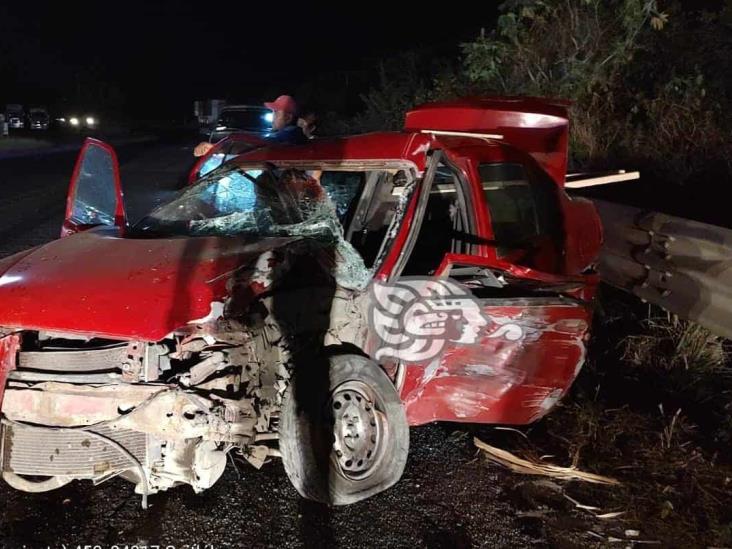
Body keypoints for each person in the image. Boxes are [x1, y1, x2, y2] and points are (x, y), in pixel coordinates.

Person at [193, 94, 307, 157]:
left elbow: (256, 148)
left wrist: (215, 148)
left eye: (276, 113)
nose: (273, 118)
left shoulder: (289, 135)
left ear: (288, 118)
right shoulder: (291, 134)